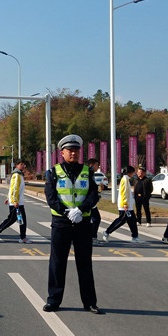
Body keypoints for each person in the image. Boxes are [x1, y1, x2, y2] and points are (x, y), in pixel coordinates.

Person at [43, 134, 102, 314]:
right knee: (57, 263)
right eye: (70, 150)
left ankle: (90, 302)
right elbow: (51, 197)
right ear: (62, 153)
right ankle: (54, 300)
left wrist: (81, 209)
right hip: (61, 222)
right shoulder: (53, 172)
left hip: (82, 222)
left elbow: (94, 194)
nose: (73, 153)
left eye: (76, 150)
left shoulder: (87, 171)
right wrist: (66, 211)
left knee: (84, 263)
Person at [102, 165, 143, 244]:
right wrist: (124, 203)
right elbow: (123, 192)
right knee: (121, 220)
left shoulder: (126, 179)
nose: (133, 174)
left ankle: (135, 236)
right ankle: (107, 232)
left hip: (128, 206)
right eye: (133, 172)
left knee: (132, 221)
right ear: (129, 172)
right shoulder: (124, 180)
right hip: (125, 206)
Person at [0, 159, 29, 243]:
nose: (23, 166)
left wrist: (8, 198)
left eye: (23, 164)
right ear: (16, 165)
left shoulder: (19, 175)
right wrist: (14, 200)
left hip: (17, 201)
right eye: (21, 164)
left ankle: (22, 237)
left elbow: (12, 188)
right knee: (13, 219)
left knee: (18, 219)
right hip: (16, 202)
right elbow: (14, 188)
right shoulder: (17, 175)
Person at [86, 158, 103, 243]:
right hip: (89, 202)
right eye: (96, 165)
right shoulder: (88, 173)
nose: (98, 167)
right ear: (91, 165)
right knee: (96, 219)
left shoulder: (90, 173)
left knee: (93, 219)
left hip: (91, 201)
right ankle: (92, 237)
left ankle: (91, 236)